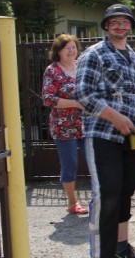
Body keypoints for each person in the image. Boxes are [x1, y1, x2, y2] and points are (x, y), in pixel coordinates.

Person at [75, 3, 135, 258]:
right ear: (107, 26)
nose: (120, 26)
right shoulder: (93, 54)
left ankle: (121, 247)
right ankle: (101, 254)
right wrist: (114, 117)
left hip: (133, 136)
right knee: (106, 195)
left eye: (125, 21)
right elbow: (83, 94)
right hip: (103, 135)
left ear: (131, 26)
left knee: (125, 192)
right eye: (115, 21)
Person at [42, 34, 87, 215]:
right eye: (67, 48)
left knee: (95, 159)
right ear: (58, 51)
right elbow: (48, 99)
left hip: (85, 124)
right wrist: (76, 104)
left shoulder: (81, 67)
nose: (71, 51)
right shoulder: (52, 71)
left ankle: (99, 197)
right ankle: (72, 202)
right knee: (70, 164)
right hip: (63, 126)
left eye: (74, 47)